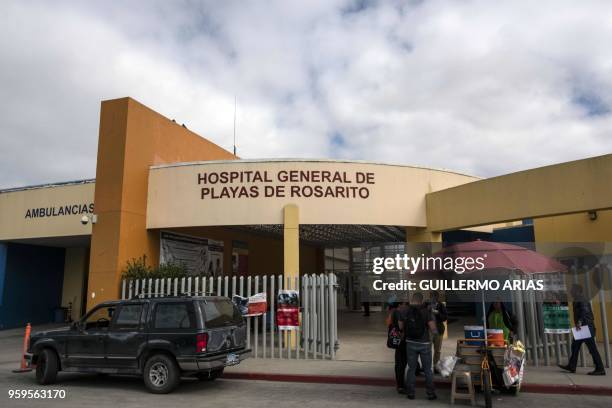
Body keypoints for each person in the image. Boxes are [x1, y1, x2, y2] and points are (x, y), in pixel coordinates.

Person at [559, 284, 606, 376]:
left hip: (585, 327)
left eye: (573, 290)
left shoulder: (581, 298)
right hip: (582, 328)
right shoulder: (578, 299)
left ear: (578, 291)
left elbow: (584, 311)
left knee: (592, 349)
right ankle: (572, 366)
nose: (571, 292)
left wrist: (579, 322)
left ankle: (600, 368)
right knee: (575, 346)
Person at [400, 292, 438, 400]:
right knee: (427, 370)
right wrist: (433, 335)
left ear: (413, 299)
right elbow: (433, 329)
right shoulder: (426, 312)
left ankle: (410, 393)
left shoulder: (406, 311)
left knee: (411, 368)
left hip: (410, 343)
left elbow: (401, 326)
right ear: (421, 301)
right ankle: (430, 393)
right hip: (424, 343)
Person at [388, 302, 407, 394]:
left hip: (398, 341)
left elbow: (388, 324)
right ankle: (400, 385)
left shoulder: (394, 312)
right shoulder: (399, 312)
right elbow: (401, 327)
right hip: (402, 341)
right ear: (400, 304)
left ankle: (400, 384)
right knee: (401, 364)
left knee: (399, 363)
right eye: (405, 304)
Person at [426, 291, 448, 370]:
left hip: (438, 330)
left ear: (437, 298)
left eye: (435, 297)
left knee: (437, 350)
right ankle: (427, 367)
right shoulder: (426, 305)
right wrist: (427, 310)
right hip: (429, 330)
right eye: (432, 296)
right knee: (427, 350)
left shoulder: (441, 305)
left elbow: (445, 317)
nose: (433, 298)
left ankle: (436, 367)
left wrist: (438, 313)